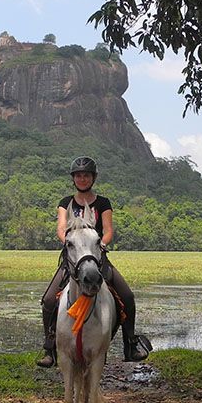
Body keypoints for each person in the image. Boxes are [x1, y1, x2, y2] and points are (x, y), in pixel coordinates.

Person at [36, 156, 151, 367]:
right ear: (73, 179)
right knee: (50, 299)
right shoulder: (65, 203)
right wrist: (70, 241)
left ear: (93, 178)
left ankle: (130, 343)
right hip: (73, 259)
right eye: (78, 175)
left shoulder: (103, 203)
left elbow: (107, 231)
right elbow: (61, 229)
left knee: (127, 296)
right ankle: (49, 347)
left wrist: (102, 244)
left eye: (86, 175)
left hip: (97, 257)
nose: (82, 179)